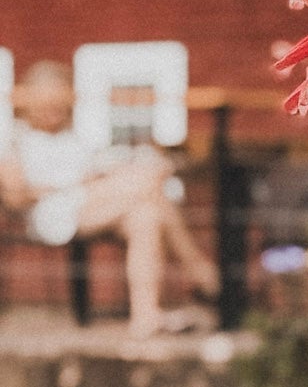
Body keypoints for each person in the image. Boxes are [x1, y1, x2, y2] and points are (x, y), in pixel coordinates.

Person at [0, 60, 217, 338]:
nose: (54, 106)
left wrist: (101, 176)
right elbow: (16, 197)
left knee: (146, 214)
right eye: (47, 98)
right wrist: (69, 184)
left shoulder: (74, 137)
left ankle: (146, 316)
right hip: (51, 215)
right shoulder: (15, 139)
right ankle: (199, 271)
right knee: (147, 182)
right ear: (29, 98)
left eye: (60, 98)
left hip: (90, 204)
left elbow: (97, 168)